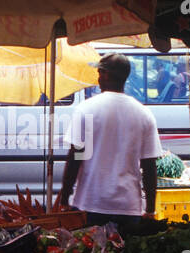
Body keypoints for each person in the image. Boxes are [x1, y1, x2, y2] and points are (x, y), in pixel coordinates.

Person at [58, 53, 164, 234]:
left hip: (91, 203)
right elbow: (149, 166)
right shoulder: (143, 114)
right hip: (128, 206)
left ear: (106, 75)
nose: (98, 77)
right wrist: (150, 209)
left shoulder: (86, 109)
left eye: (100, 72)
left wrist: (65, 198)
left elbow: (76, 157)